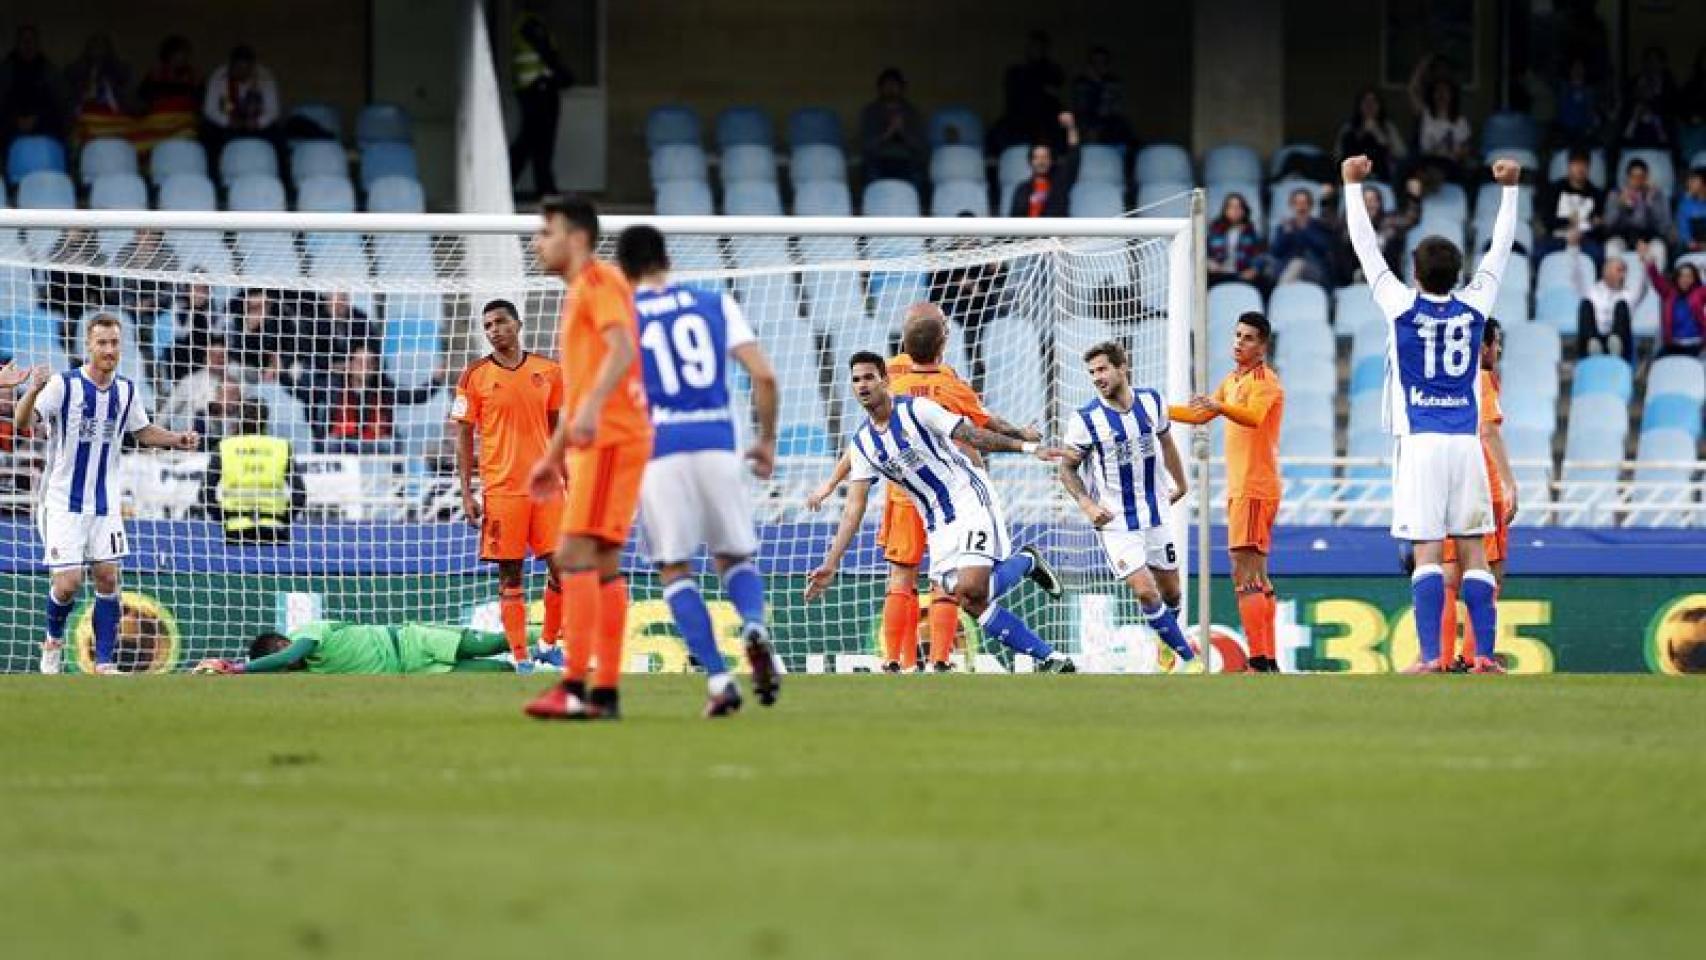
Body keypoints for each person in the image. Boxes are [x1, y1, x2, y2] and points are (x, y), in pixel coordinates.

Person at [1342, 152, 1523, 674]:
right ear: (1458, 273)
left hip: (1420, 443)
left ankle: (1429, 657)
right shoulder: (1476, 306)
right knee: (1473, 552)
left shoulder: (1400, 305)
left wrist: (1353, 186)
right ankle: (1484, 655)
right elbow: (1501, 250)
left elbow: (1365, 247)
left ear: (1415, 271)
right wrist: (1510, 190)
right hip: (1465, 443)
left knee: (1426, 552)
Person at [804, 306, 1050, 673]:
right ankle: (930, 659)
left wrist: (829, 483)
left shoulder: (894, 376)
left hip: (915, 497)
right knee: (932, 581)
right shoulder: (946, 384)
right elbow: (985, 424)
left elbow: (861, 444)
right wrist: (1024, 436)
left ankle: (906, 661)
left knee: (912, 576)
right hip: (920, 495)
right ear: (943, 340)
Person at [618, 225, 782, 715]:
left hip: (660, 447)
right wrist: (767, 441)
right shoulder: (715, 303)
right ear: (667, 258)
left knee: (674, 568)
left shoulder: (622, 317)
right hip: (717, 441)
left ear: (623, 271)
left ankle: (717, 680)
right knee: (733, 557)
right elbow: (765, 375)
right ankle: (753, 622)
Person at [523, 196, 654, 721]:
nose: (538, 241)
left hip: (609, 439)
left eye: (545, 231)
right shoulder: (585, 289)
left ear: (575, 238)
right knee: (598, 563)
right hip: (600, 440)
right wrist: (553, 456)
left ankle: (577, 686)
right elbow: (578, 391)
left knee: (574, 555)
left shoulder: (597, 283)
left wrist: (594, 412)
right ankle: (603, 693)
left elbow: (622, 349)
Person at [9, 314, 199, 674]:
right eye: (103, 343)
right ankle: (52, 641)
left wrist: (177, 439)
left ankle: (105, 662)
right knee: (67, 584)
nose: (109, 350)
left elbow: (142, 431)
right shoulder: (63, 386)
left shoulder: (126, 390)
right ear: (88, 346)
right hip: (62, 502)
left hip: (105, 502)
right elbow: (22, 423)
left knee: (109, 578)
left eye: (114, 343)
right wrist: (33, 388)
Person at [1057, 341, 1199, 674]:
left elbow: (1166, 441)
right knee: (1147, 593)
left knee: (1172, 592)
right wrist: (1087, 504)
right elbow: (1066, 468)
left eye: (1103, 369)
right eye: (1091, 372)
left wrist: (1182, 483)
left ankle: (1166, 640)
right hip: (1116, 522)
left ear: (1123, 367)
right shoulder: (1085, 419)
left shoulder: (1152, 402)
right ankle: (1191, 661)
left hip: (1155, 513)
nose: (1097, 377)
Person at [453, 299, 567, 672]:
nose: (493, 330)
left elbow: (555, 430)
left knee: (563, 567)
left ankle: (549, 643)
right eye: (487, 326)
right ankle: (521, 657)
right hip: (502, 490)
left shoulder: (549, 371)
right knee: (511, 573)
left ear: (518, 324)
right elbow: (464, 435)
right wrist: (467, 492)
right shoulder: (474, 376)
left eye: (500, 322)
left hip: (547, 489)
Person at [1169, 313, 1286, 672]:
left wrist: (1219, 406)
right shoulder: (1234, 380)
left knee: (1244, 573)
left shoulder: (1265, 381)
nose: (1239, 342)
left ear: (1263, 345)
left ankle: (1258, 659)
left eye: (1248, 338)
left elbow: (1252, 416)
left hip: (1254, 487)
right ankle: (1267, 660)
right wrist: (1154, 411)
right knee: (1257, 576)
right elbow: (1199, 415)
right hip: (1244, 487)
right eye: (1237, 335)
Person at [1439, 318, 1517, 672]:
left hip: (1449, 484)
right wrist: (1508, 482)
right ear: (1483, 346)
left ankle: (1438, 658)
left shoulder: (1446, 382)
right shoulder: (1483, 379)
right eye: (1496, 343)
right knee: (1490, 572)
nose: (1497, 350)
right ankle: (1475, 657)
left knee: (1449, 575)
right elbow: (1488, 430)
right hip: (1484, 487)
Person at [195, 621, 519, 675]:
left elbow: (291, 656)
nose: (287, 666)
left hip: (411, 641)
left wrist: (240, 668)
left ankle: (553, 633)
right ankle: (547, 666)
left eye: (280, 657)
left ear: (281, 642)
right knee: (498, 671)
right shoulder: (308, 673)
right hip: (413, 669)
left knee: (493, 643)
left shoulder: (309, 632)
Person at [201, 398, 306, 544]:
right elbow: (299, 494)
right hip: (274, 529)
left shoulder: (225, 447)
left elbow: (205, 495)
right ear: (265, 419)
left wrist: (226, 520)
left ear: (239, 418)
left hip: (236, 529)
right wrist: (283, 519)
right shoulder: (281, 447)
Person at [308, 344, 447, 453]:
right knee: (329, 442)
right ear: (349, 365)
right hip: (343, 440)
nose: (364, 367)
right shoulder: (334, 386)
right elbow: (304, 391)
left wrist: (436, 380)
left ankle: (395, 487)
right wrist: (286, 375)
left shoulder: (383, 387)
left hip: (375, 441)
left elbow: (415, 397)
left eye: (369, 363)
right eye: (359, 362)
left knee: (390, 444)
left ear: (375, 366)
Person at [927, 214, 1005, 393]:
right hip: (955, 312)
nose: (969, 239)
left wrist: (996, 270)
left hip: (983, 312)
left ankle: (980, 380)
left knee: (990, 323)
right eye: (964, 234)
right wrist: (959, 284)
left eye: (972, 234)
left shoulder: (987, 256)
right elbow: (936, 292)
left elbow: (1000, 282)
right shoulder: (945, 258)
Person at [509, 0, 571, 197]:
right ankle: (543, 187)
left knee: (536, 141)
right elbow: (547, 53)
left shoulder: (532, 23)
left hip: (536, 89)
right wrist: (565, 75)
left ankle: (544, 187)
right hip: (537, 90)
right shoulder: (529, 24)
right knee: (535, 140)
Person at [1570, 249, 1645, 363]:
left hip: (1620, 347)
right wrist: (1573, 249)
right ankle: (1593, 346)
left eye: (1625, 272)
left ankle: (1615, 344)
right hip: (1593, 341)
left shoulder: (1629, 294)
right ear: (1606, 271)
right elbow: (1577, 278)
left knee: (1621, 305)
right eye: (1619, 270)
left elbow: (1643, 286)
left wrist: (1645, 263)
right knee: (1585, 304)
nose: (1623, 275)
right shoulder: (1592, 291)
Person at [201, 45, 279, 154]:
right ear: (231, 65)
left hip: (255, 125)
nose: (242, 73)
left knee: (277, 134)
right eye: (238, 69)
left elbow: (273, 111)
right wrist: (228, 122)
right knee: (208, 132)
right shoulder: (218, 77)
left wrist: (258, 122)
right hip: (228, 124)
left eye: (246, 69)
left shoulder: (265, 77)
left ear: (252, 66)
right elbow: (209, 110)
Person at [995, 30, 1065, 151]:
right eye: (1032, 47)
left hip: (1045, 120)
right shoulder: (1017, 72)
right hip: (1020, 119)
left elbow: (1053, 91)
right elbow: (1014, 97)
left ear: (1044, 50)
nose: (1035, 50)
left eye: (1039, 47)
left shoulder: (1052, 71)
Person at [1408, 55, 1472, 185]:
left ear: (1452, 95)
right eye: (1438, 91)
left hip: (1450, 165)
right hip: (1426, 161)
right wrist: (1422, 68)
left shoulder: (1460, 122)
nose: (1442, 95)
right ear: (1432, 95)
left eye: (1446, 91)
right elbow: (1412, 91)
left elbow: (1466, 149)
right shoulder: (1425, 115)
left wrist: (1459, 152)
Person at [858, 68, 926, 186]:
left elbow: (920, 146)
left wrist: (902, 132)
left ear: (902, 88)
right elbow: (866, 146)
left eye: (895, 84)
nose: (891, 88)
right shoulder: (871, 112)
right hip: (879, 160)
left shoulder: (911, 112)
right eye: (887, 84)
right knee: (870, 172)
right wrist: (888, 133)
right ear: (880, 88)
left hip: (906, 160)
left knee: (918, 174)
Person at [0, 25, 66, 146]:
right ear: (17, 43)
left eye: (31, 40)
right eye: (23, 40)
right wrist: (15, 119)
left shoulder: (50, 71)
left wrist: (37, 119)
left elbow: (60, 103)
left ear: (37, 44)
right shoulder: (5, 71)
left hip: (44, 126)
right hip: (10, 127)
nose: (27, 44)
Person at [1538, 148, 1606, 265]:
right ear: (1569, 166)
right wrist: (1568, 221)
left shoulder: (1596, 194)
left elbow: (1599, 228)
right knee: (1539, 252)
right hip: (1557, 237)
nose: (1580, 169)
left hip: (1584, 239)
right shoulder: (1554, 190)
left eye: (1584, 165)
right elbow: (1547, 220)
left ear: (1589, 168)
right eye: (1576, 164)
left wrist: (1595, 225)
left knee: (1598, 254)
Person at [64, 33, 134, 145]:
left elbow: (128, 107)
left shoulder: (120, 75)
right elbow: (70, 110)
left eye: (102, 48)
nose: (98, 53)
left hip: (113, 127)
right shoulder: (75, 75)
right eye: (94, 48)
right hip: (85, 126)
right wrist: (84, 96)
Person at [1007, 112, 1079, 218]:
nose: (1041, 161)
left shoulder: (1060, 184)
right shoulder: (1022, 189)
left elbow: (1074, 156)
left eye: (1045, 157)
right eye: (1037, 157)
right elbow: (1013, 221)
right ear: (1031, 162)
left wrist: (1071, 127)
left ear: (1051, 161)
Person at [1604, 158, 1674, 268]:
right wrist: (1620, 207)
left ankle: (1654, 284)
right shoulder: (1616, 195)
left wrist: (1650, 204)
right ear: (1627, 177)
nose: (1637, 181)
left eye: (1641, 177)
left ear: (1647, 178)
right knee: (1611, 246)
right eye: (1633, 177)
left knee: (1659, 248)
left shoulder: (1658, 195)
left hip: (1649, 238)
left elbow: (1664, 227)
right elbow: (1608, 225)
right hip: (1624, 237)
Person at [135, 35, 200, 149]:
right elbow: (143, 96)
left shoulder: (193, 76)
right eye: (179, 53)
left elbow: (198, 100)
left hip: (183, 120)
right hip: (158, 119)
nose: (183, 57)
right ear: (169, 55)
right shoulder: (156, 73)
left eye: (185, 54)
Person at [1334, 88, 1407, 183]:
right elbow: (1338, 156)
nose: (1370, 105)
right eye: (1366, 102)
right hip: (1353, 176)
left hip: (1382, 178)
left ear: (1380, 106)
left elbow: (1401, 154)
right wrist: (1360, 135)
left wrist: (1378, 133)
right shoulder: (1348, 128)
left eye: (1373, 102)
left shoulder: (1388, 127)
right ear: (1359, 106)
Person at [160, 337, 231, 432]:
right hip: (192, 433)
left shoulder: (237, 380)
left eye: (222, 356)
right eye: (213, 355)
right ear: (206, 359)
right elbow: (168, 410)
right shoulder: (191, 381)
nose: (218, 360)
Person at [1268, 188, 1336, 286]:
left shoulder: (1320, 226)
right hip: (1286, 269)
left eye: (1304, 203)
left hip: (1315, 269)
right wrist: (1286, 234)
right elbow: (1276, 252)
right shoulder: (1284, 226)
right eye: (1297, 203)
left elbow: (1323, 249)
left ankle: (1281, 291)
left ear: (1310, 206)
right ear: (1291, 206)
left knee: (1298, 263)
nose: (1301, 207)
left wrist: (1305, 230)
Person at [1645, 256, 1706, 359]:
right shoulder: (1669, 293)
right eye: (1681, 276)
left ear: (1694, 279)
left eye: (1689, 276)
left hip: (1694, 345)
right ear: (1677, 278)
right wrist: (1650, 264)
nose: (1685, 279)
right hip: (1672, 344)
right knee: (1656, 362)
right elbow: (1656, 279)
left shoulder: (1699, 293)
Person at [1069, 46, 1130, 147]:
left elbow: (1114, 110)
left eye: (1102, 63)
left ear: (1108, 65)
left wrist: (1099, 84)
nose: (1098, 67)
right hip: (1085, 126)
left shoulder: (1114, 83)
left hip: (1110, 126)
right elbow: (1080, 108)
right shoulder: (1081, 83)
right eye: (1095, 63)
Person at [1206, 193, 1266, 288]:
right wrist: (1209, 263)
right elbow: (1203, 252)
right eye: (1231, 207)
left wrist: (1254, 269)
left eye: (1238, 207)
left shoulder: (1251, 232)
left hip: (1241, 273)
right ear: (1225, 210)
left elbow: (1259, 254)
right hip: (1218, 273)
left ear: (1244, 211)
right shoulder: (1215, 230)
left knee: (1264, 282)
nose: (1235, 210)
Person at [1553, 55, 1604, 146]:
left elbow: (1591, 112)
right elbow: (1560, 111)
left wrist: (1591, 127)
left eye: (1580, 67)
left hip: (1584, 133)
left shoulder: (1589, 91)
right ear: (1570, 70)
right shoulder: (1564, 88)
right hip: (1566, 133)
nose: (1578, 70)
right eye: (1575, 67)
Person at [1677, 169, 1706, 256]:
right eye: (1689, 181)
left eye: (1693, 181)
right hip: (1693, 248)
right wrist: (1696, 245)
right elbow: (1684, 233)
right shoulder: (1685, 205)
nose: (1689, 184)